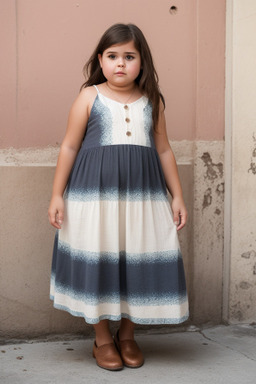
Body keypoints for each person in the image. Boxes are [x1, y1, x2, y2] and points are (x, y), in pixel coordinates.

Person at [48, 23, 189, 371]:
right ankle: (101, 338)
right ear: (101, 59)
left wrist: (178, 196)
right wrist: (56, 194)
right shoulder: (89, 97)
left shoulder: (151, 102)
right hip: (93, 200)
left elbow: (165, 150)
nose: (120, 64)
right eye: (112, 56)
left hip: (143, 199)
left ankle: (127, 334)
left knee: (139, 257)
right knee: (99, 257)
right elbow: (69, 146)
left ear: (142, 62)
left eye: (129, 56)